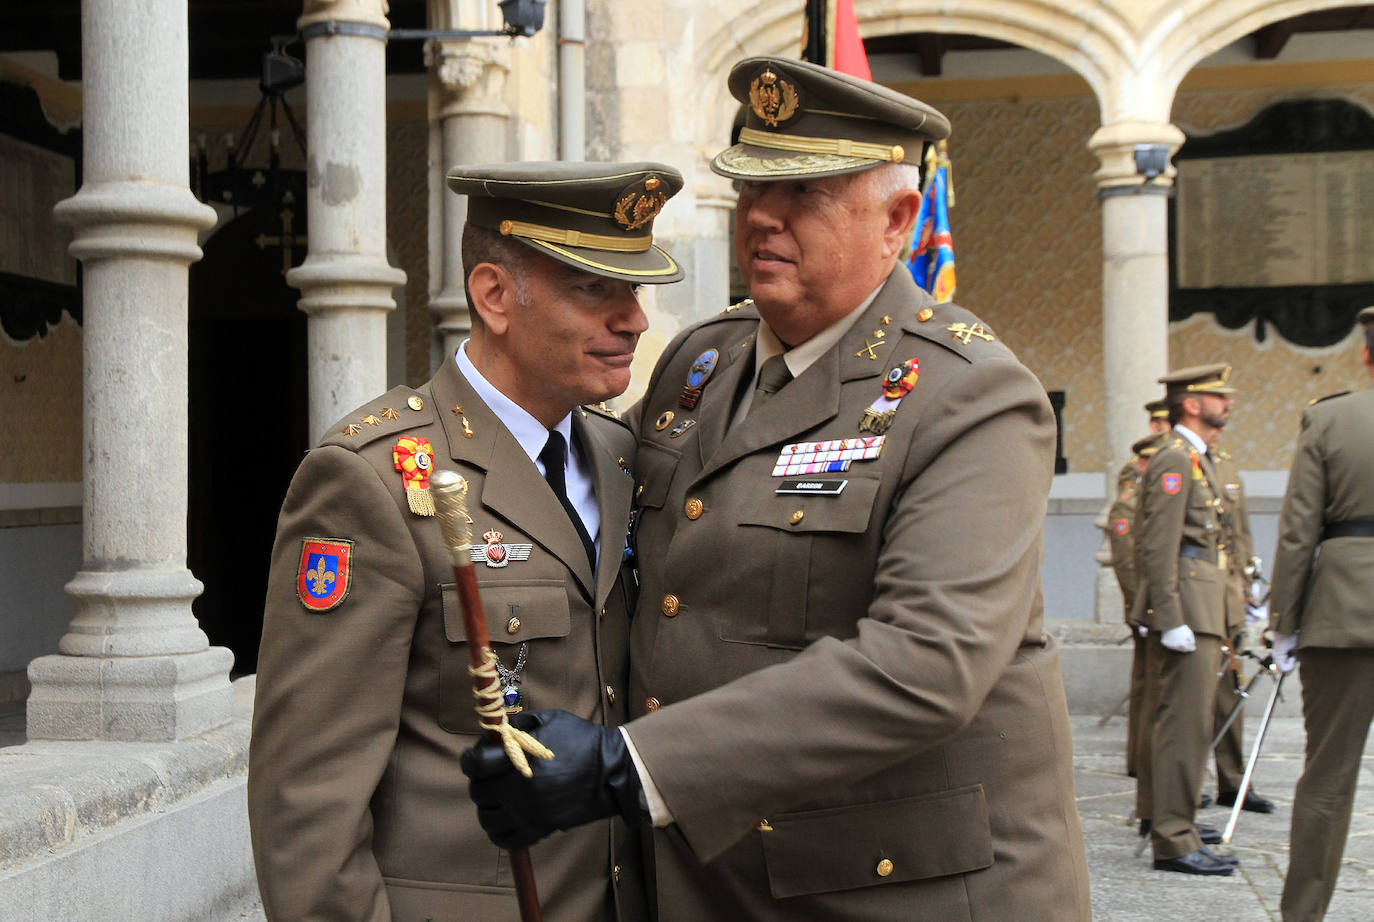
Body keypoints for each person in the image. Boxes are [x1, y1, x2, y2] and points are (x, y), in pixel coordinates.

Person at [461, 56, 1091, 920]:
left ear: (899, 219)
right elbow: (575, 503)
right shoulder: (703, 361)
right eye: (754, 182)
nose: (761, 214)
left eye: (808, 193)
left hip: (893, 887)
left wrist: (627, 766)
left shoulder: (969, 393)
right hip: (713, 879)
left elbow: (927, 663)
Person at [248, 161, 685, 922]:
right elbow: (307, 800)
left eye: (636, 290)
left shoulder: (620, 459)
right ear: (492, 296)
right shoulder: (374, 479)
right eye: (594, 289)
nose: (635, 319)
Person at [1271, 305, 1374, 921]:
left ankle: (1303, 915)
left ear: (1364, 351)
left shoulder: (1330, 417)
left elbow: (1296, 533)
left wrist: (1284, 621)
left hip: (1343, 614)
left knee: (1327, 781)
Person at [1131, 363, 1243, 875]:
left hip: (1204, 606)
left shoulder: (1199, 460)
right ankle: (1175, 839)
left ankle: (1169, 820)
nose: (1229, 403)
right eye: (1219, 397)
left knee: (1180, 722)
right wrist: (1168, 614)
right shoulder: (1174, 458)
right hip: (1188, 609)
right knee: (1184, 726)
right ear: (1193, 404)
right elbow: (1158, 542)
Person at [1104, 400, 1171, 777]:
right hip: (1145, 598)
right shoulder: (1139, 469)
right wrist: (1136, 600)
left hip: (1160, 594)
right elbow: (1125, 542)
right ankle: (1142, 763)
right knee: (1149, 685)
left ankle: (1151, 762)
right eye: (1159, 423)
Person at [1208, 436, 1274, 815]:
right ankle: (1174, 795)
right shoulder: (1171, 461)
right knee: (1189, 700)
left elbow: (1240, 532)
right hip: (1195, 596)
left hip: (1229, 593)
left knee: (1231, 688)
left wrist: (1246, 586)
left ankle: (1232, 781)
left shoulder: (1226, 466)